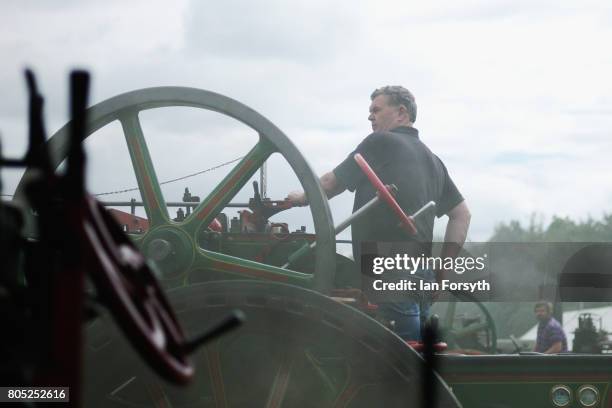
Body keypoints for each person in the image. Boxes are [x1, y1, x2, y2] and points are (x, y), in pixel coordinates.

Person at [287, 85, 470, 341]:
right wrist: (442, 272)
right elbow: (462, 214)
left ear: (401, 113)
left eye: (376, 109)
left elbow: (332, 182)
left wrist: (301, 197)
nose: (370, 116)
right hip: (422, 274)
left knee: (396, 362)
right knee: (413, 353)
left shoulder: (381, 141)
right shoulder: (434, 161)